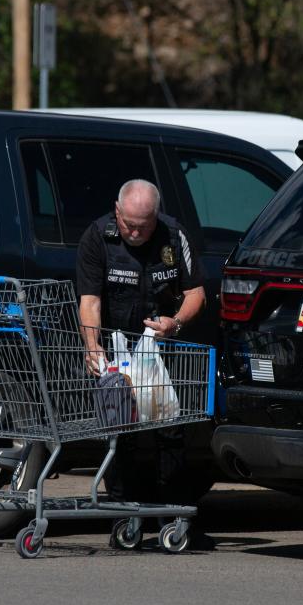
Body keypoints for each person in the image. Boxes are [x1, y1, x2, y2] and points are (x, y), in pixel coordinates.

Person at [76, 178, 213, 549]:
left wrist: (176, 322)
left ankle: (173, 516)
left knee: (170, 430)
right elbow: (90, 301)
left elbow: (196, 293)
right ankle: (124, 515)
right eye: (129, 224)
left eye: (143, 225)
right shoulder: (97, 237)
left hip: (160, 348)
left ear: (156, 216)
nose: (135, 233)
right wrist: (93, 347)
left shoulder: (174, 235)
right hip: (118, 349)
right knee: (122, 431)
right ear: (117, 211)